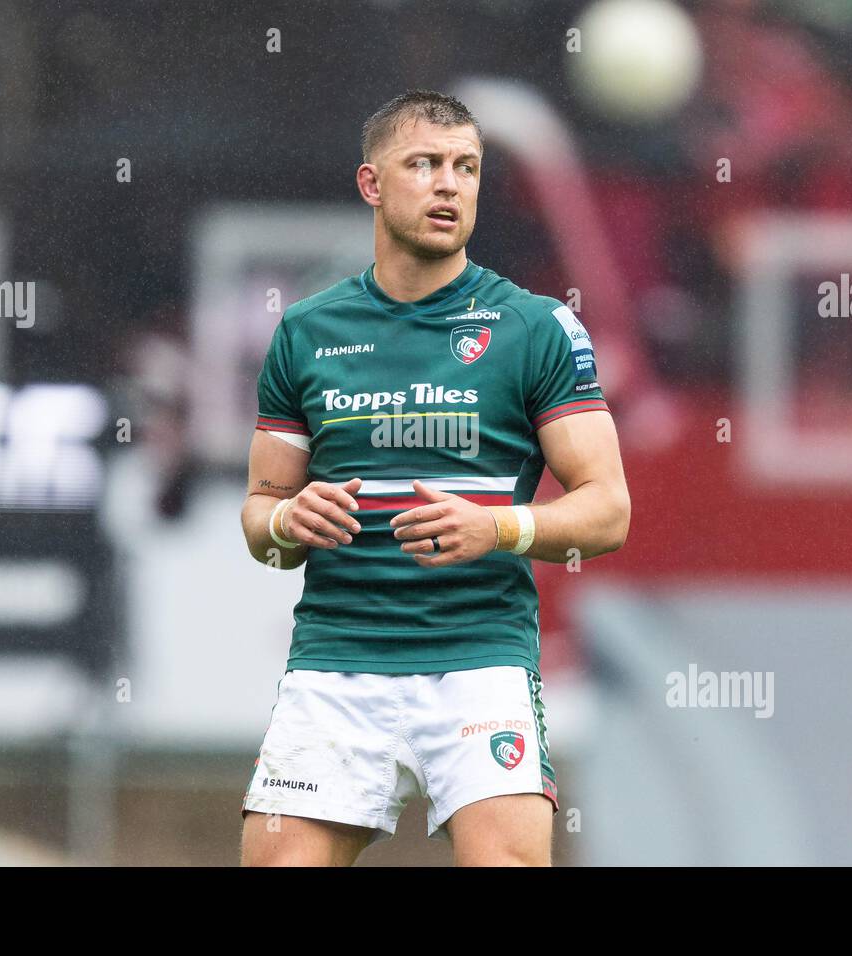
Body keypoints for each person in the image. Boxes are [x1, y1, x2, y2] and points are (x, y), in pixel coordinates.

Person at [238, 90, 630, 866]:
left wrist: (499, 527)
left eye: (467, 168)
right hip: (338, 660)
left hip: (479, 660)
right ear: (371, 184)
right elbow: (261, 521)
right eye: (424, 164)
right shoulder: (308, 331)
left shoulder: (534, 327)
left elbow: (608, 511)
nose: (449, 184)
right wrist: (287, 522)